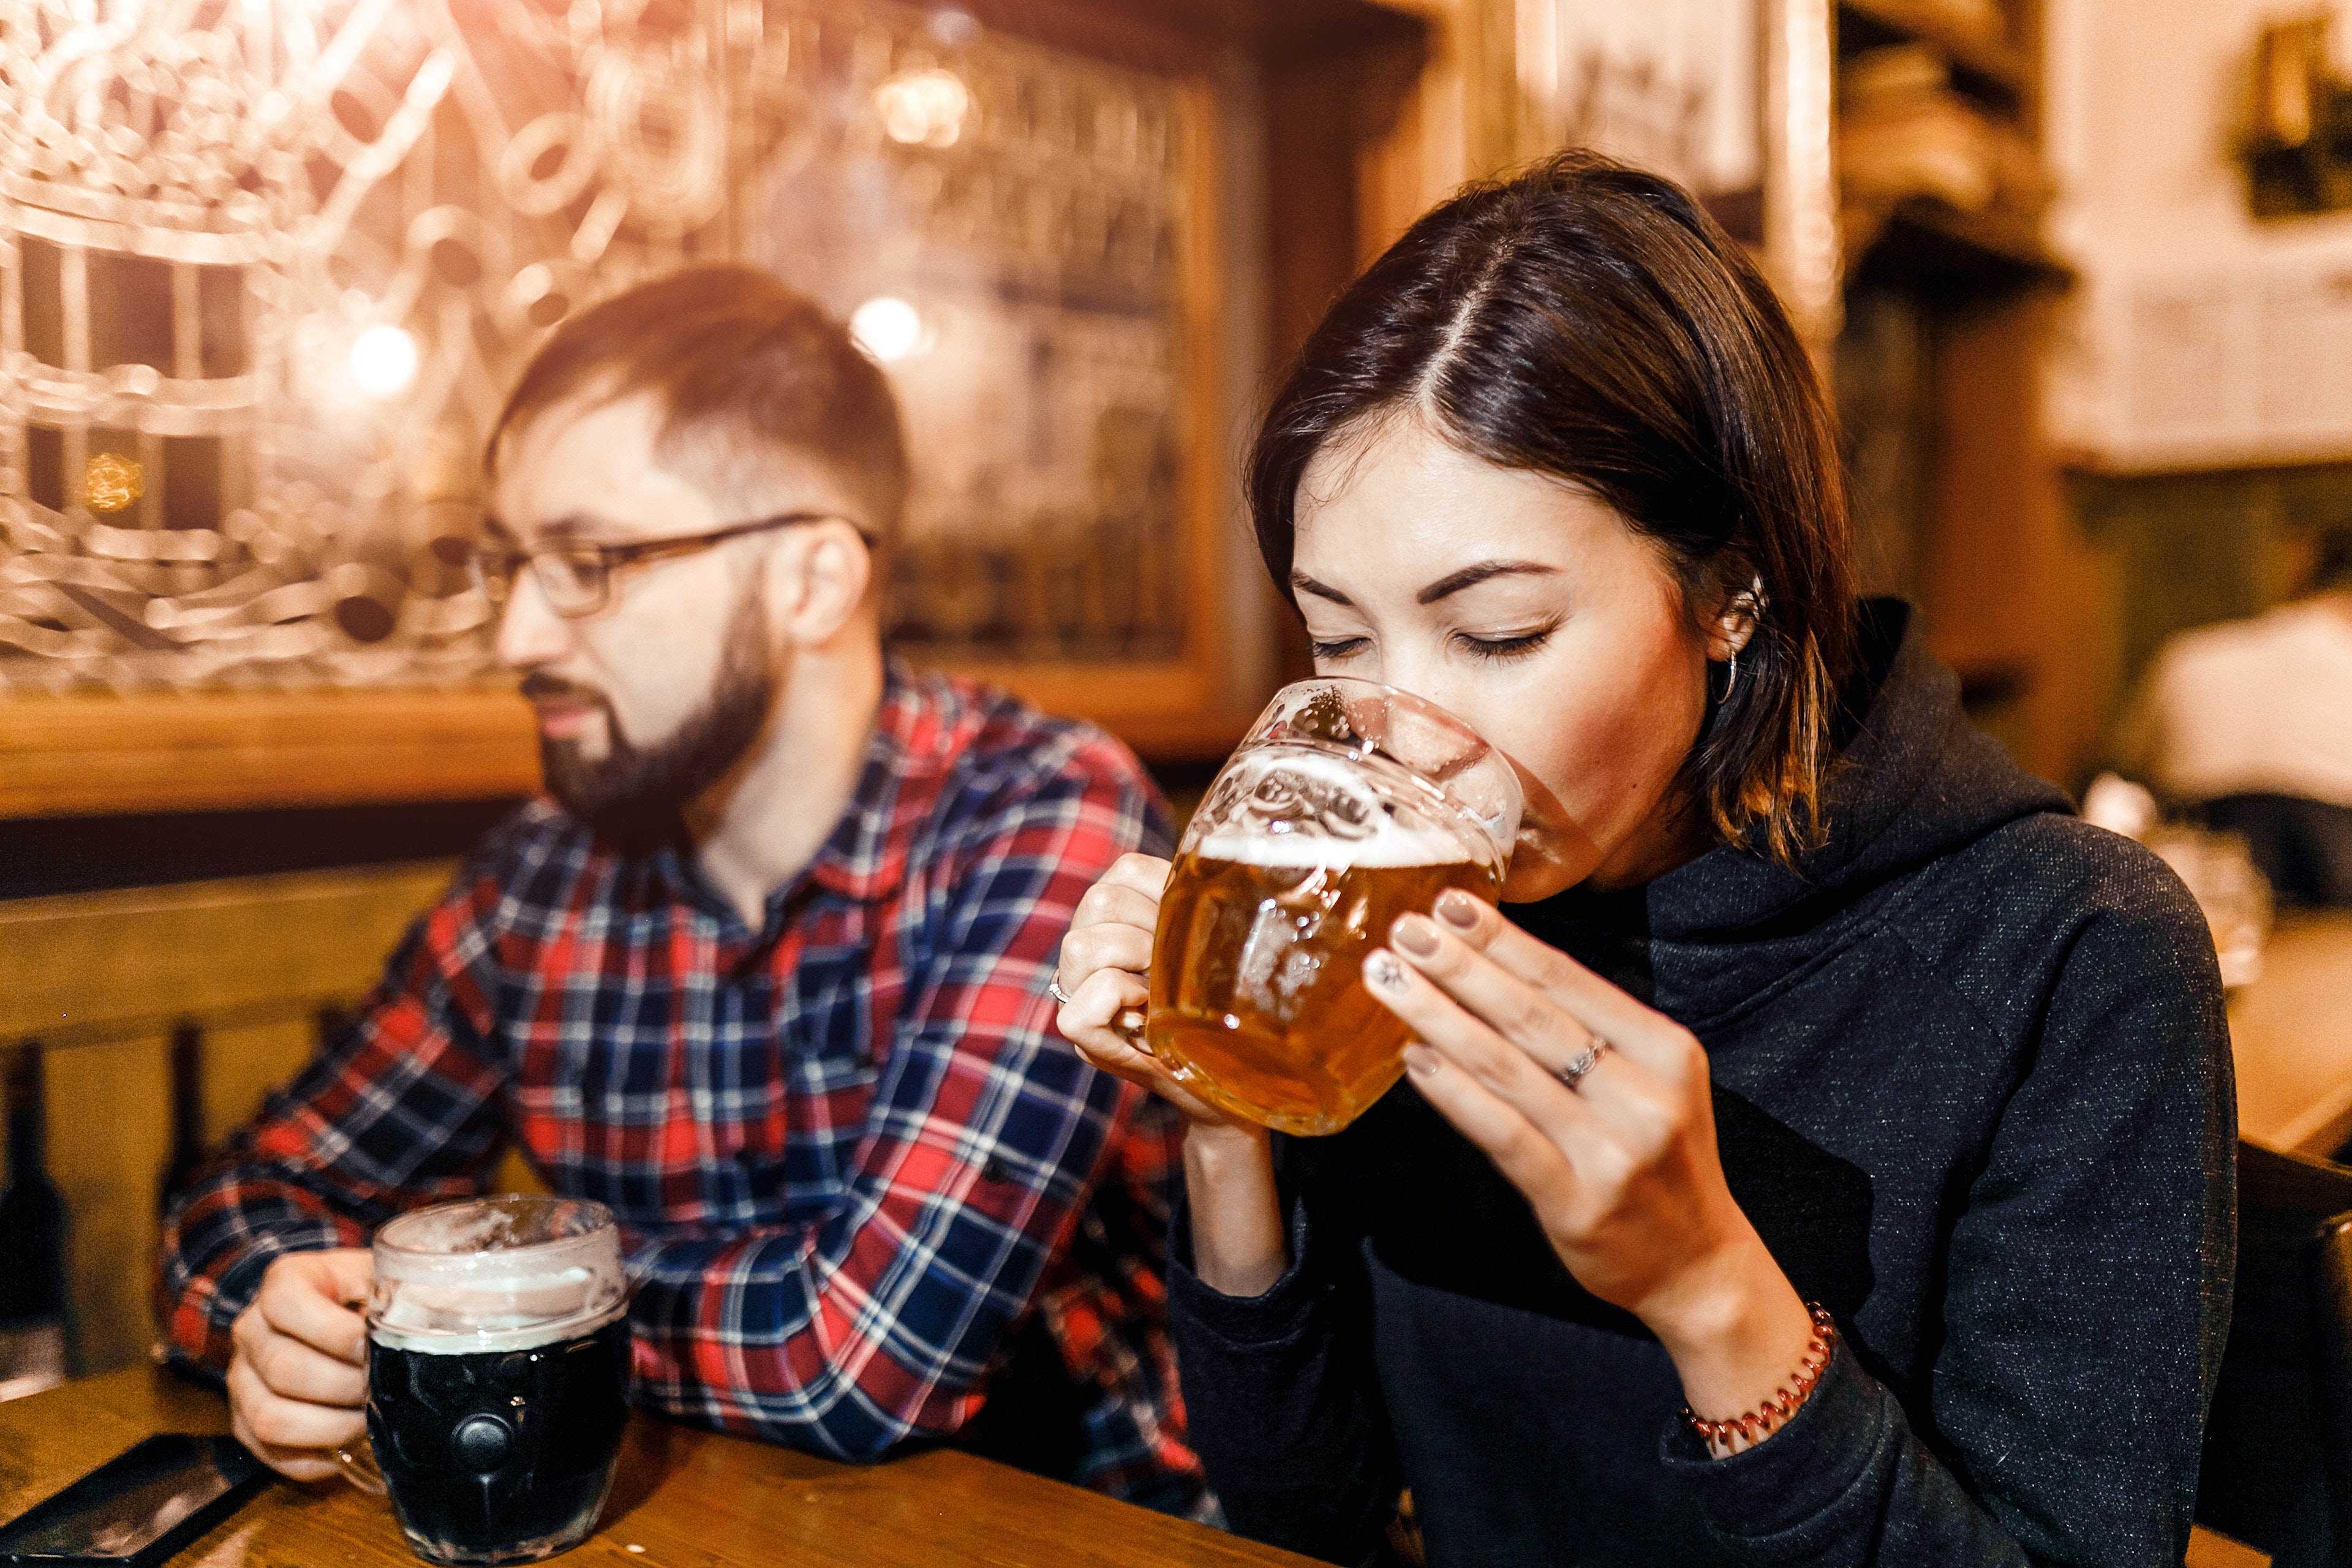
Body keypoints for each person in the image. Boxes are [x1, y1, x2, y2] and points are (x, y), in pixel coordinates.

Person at [1054, 153, 2233, 1565]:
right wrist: (1221, 1116)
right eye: (1338, 639)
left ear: (1729, 588)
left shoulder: (2069, 949)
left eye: (1495, 633)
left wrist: (1702, 1282)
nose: (1402, 736)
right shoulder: (1394, 912)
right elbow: (1306, 1510)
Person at [156, 266, 1207, 1517]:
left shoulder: (1040, 816)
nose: (520, 636)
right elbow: (232, 1207)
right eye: (512, 565)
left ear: (811, 580)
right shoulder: (541, 880)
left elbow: (862, 1357)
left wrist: (480, 1297)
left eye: (593, 559)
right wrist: (278, 1323)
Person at [2114, 524, 2352, 908]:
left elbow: (2126, 778)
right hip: (2336, 912)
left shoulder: (2187, 656)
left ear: (2297, 565)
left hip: (2200, 901)